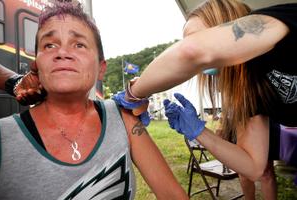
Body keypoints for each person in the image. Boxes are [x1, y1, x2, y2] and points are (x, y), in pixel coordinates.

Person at [0, 1, 188, 200]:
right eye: (49, 45)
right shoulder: (2, 137)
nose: (62, 53)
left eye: (79, 44)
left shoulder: (122, 118)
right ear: (36, 63)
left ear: (101, 68)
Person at [113, 0, 297, 199]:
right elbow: (253, 167)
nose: (194, 62)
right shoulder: (251, 89)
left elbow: (192, 51)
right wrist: (199, 131)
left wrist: (134, 93)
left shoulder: (283, 21)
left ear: (226, 24)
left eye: (198, 37)